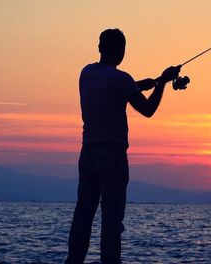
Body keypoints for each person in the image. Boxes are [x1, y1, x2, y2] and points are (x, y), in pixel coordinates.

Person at [65, 28, 181, 264]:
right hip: (113, 157)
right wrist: (162, 83)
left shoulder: (86, 73)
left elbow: (112, 89)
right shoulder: (121, 79)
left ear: (99, 48)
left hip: (88, 154)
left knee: (83, 215)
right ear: (122, 51)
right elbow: (147, 110)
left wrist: (142, 84)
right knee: (111, 219)